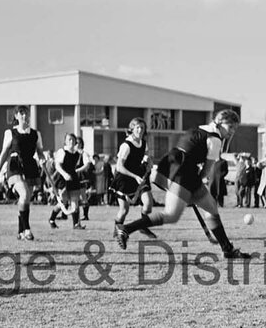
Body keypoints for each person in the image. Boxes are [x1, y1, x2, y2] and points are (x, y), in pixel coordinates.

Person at [114, 109, 251, 259]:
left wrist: (193, 189)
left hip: (169, 165)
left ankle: (227, 249)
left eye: (235, 128)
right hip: (183, 172)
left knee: (210, 207)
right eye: (230, 127)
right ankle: (126, 228)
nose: (232, 131)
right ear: (219, 122)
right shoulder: (215, 139)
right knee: (172, 215)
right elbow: (206, 171)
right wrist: (192, 187)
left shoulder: (200, 128)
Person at [0, 105, 45, 240]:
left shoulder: (36, 134)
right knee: (25, 193)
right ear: (16, 116)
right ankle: (27, 229)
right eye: (21, 113)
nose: (24, 115)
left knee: (25, 199)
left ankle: (20, 231)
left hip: (30, 165)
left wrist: (43, 159)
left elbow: (39, 152)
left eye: (26, 112)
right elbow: (4, 153)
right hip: (15, 165)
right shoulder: (10, 133)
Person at [110, 118, 156, 239]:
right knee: (124, 211)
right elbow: (119, 166)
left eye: (142, 127)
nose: (140, 130)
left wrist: (149, 160)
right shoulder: (126, 145)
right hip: (124, 179)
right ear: (132, 129)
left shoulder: (144, 143)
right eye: (137, 127)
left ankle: (142, 226)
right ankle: (118, 229)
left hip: (139, 175)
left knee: (148, 204)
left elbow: (146, 155)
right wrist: (135, 177)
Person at [48, 133, 88, 230]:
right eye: (69, 139)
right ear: (65, 141)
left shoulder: (77, 153)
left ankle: (76, 224)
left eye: (73, 140)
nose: (71, 141)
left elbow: (87, 163)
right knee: (63, 202)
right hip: (63, 178)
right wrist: (64, 174)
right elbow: (57, 166)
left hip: (73, 177)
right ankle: (52, 219)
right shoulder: (62, 152)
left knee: (75, 200)